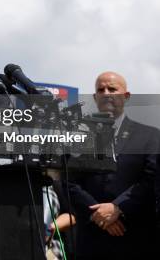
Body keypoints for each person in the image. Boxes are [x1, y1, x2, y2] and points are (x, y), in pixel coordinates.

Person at [67, 72, 158, 259]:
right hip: (92, 241)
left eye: (112, 89)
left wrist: (117, 208)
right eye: (101, 90)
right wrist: (100, 216)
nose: (106, 93)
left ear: (126, 96)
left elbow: (151, 179)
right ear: (95, 97)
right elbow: (69, 181)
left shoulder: (150, 135)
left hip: (135, 237)